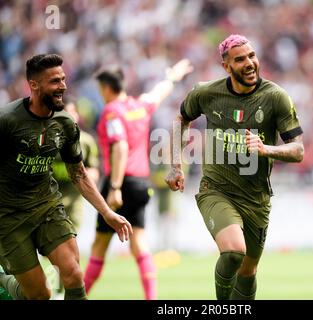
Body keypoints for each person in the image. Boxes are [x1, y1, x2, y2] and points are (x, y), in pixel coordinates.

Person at [165, 35, 304, 300]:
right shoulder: (206, 92)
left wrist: (267, 149)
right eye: (240, 59)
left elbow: (298, 150)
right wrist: (176, 166)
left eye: (252, 56)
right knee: (233, 252)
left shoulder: (276, 97)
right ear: (226, 67)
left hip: (256, 199)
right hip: (216, 190)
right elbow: (181, 119)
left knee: (248, 271)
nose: (250, 63)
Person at [0, 53, 132, 300]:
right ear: (34, 85)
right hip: (9, 216)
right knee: (40, 294)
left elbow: (79, 174)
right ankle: (3, 280)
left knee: (73, 273)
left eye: (63, 79)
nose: (63, 86)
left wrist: (107, 212)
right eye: (54, 81)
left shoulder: (65, 123)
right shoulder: (7, 121)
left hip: (46, 207)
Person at [83, 59, 193, 300]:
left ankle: (78, 297)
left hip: (119, 182)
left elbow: (120, 146)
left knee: (99, 245)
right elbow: (158, 94)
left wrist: (114, 186)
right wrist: (172, 78)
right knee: (140, 244)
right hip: (142, 183)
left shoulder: (112, 111)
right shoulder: (139, 106)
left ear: (106, 88)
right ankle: (151, 299)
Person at [52, 99, 100, 230]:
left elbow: (94, 170)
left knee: (72, 241)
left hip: (75, 202)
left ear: (77, 115)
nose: (69, 116)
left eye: (72, 112)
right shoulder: (47, 141)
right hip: (50, 202)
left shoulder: (87, 142)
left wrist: (85, 175)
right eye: (65, 113)